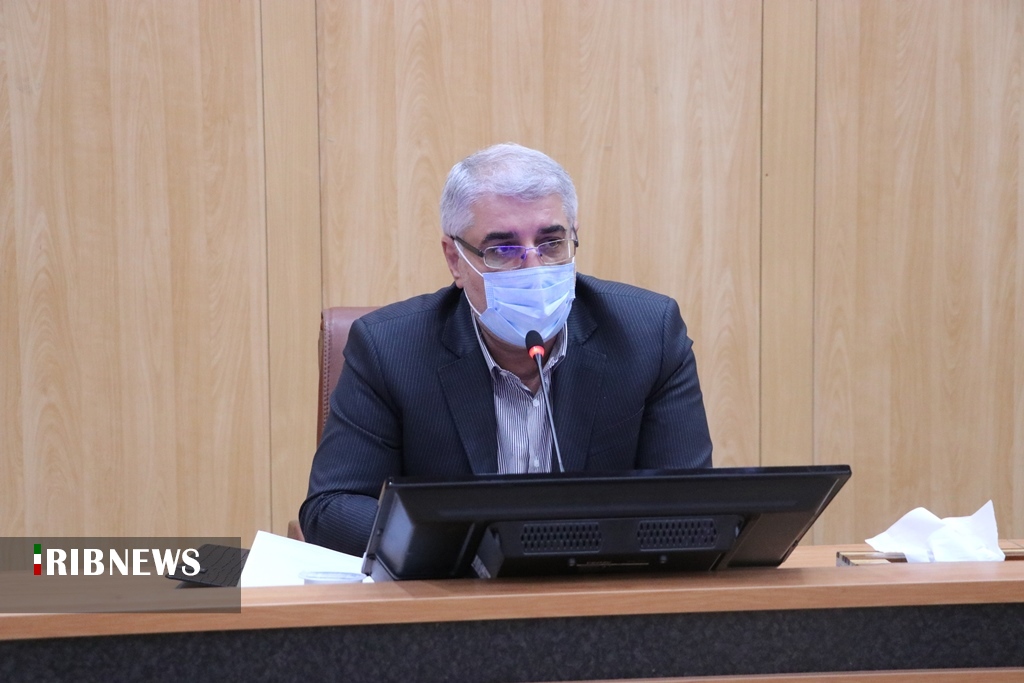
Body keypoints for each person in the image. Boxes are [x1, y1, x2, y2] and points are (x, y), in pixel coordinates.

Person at [300, 143, 712, 556]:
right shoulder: (390, 349)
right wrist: (474, 551)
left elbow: (689, 508)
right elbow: (331, 508)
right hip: (455, 590)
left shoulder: (648, 336)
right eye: (502, 250)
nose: (533, 269)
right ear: (456, 260)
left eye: (551, 243)